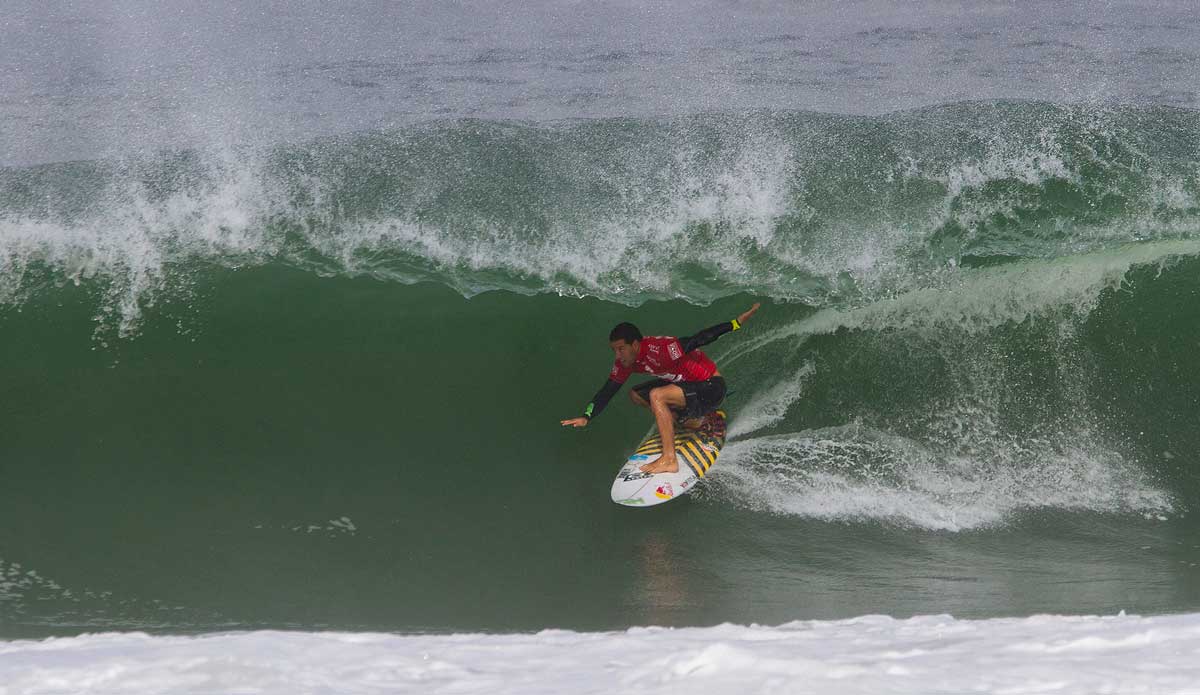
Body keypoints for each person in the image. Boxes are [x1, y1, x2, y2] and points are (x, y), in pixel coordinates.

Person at [560, 303, 761, 474]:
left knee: (657, 395)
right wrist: (587, 416)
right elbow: (608, 389)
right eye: (614, 350)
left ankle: (669, 460)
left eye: (621, 349)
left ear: (636, 345)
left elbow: (699, 338)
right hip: (687, 390)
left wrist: (735, 323)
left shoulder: (662, 350)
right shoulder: (626, 363)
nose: (617, 355)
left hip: (711, 388)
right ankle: (689, 421)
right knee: (636, 395)